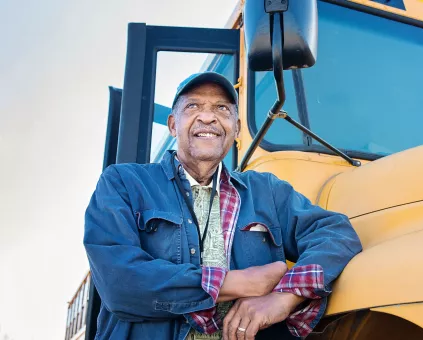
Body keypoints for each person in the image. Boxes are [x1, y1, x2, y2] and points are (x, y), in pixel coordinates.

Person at [83, 72, 362, 340]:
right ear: (172, 125)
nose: (208, 117)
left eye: (221, 108)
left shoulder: (266, 191)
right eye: (193, 106)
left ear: (236, 128)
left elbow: (336, 233)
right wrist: (239, 283)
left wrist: (285, 297)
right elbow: (119, 283)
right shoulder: (124, 183)